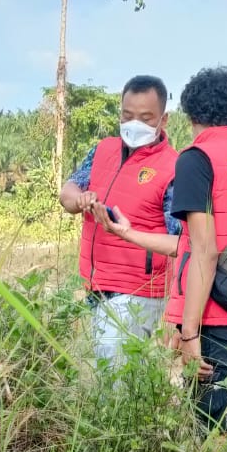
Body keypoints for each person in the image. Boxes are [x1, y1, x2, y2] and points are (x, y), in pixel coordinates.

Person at [158, 66, 227, 431]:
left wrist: (189, 333)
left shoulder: (196, 159)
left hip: (214, 319)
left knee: (216, 437)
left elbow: (203, 251)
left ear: (192, 111)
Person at [57, 75, 180, 366]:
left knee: (114, 380)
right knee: (108, 376)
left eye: (145, 117)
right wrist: (80, 199)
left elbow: (179, 242)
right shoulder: (103, 150)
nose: (134, 123)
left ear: (164, 120)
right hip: (96, 284)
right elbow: (68, 190)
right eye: (127, 115)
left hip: (138, 293)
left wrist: (175, 315)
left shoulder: (173, 167)